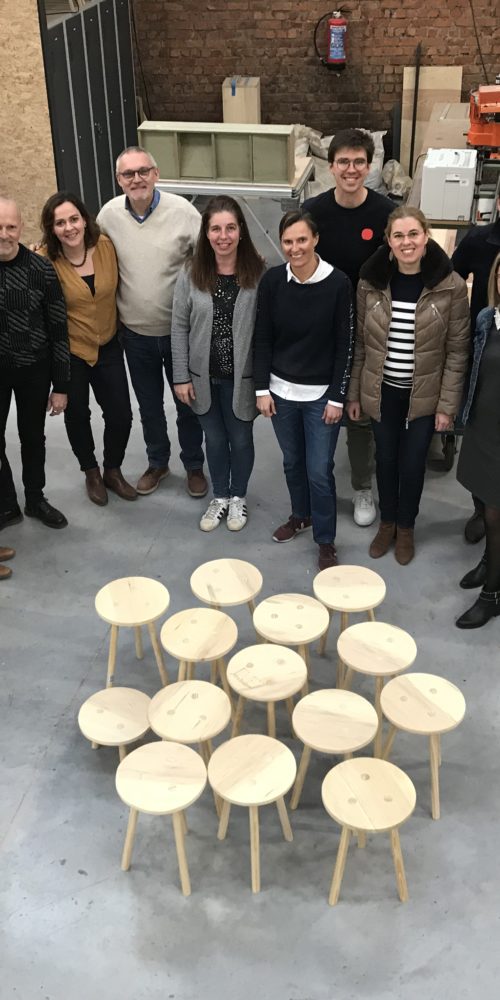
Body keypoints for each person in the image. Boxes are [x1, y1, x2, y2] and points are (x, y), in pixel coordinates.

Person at [346, 206, 470, 565]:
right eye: (398, 235)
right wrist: (354, 393)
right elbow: (360, 345)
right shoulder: (370, 283)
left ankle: (406, 527)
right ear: (388, 241)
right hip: (382, 391)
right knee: (385, 460)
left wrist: (446, 406)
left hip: (425, 395)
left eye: (413, 234)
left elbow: (457, 351)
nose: (406, 242)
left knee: (413, 464)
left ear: (426, 236)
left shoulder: (450, 286)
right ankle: (387, 523)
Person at [97, 146, 207, 498]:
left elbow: (207, 260)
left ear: (156, 174)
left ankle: (194, 465)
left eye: (143, 171)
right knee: (149, 407)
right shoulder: (108, 216)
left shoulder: (183, 212)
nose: (137, 179)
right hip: (135, 334)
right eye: (128, 174)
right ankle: (158, 462)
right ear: (119, 180)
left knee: (187, 404)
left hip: (179, 334)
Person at [303, 128, 394, 528]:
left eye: (359, 162)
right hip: (323, 325)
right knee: (321, 404)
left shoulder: (385, 212)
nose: (351, 169)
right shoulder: (314, 211)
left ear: (369, 166)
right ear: (331, 166)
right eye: (344, 162)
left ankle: (361, 486)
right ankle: (315, 482)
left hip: (370, 327)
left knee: (358, 408)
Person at [254, 210, 353, 570]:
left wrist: (337, 397)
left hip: (321, 397)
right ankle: (301, 515)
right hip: (280, 393)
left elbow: (346, 344)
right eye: (288, 241)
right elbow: (262, 337)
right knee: (292, 462)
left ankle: (325, 539)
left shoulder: (338, 283)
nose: (295, 248)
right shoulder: (272, 282)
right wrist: (261, 389)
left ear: (315, 240)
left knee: (319, 471)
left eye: (301, 240)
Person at [172, 196, 265, 532]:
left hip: (243, 379)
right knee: (213, 439)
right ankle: (220, 496)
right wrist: (181, 376)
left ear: (241, 231)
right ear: (206, 233)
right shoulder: (191, 272)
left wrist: (265, 385)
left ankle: (238, 496)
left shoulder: (259, 273)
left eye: (230, 228)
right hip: (203, 378)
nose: (223, 236)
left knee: (240, 439)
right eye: (215, 229)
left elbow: (267, 333)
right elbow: (178, 326)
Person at [39, 192, 135, 506]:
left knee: (121, 414)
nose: (69, 228)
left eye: (74, 219)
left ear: (84, 219)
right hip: (71, 352)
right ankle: (91, 472)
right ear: (52, 229)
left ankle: (112, 470)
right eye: (60, 223)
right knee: (78, 414)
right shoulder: (45, 260)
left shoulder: (106, 247)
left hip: (108, 345)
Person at [0, 197, 70, 531]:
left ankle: (35, 498)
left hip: (34, 369)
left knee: (32, 437)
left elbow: (58, 329)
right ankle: (6, 504)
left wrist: (62, 385)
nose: (4, 234)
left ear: (21, 227)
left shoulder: (41, 270)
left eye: (10, 227)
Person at [452, 194, 500, 544]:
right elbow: (450, 277)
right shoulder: (479, 240)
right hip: (485, 351)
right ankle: (481, 509)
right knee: (480, 435)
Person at [456, 253, 500, 628]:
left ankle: (493, 595)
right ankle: (489, 562)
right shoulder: (488, 318)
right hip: (482, 425)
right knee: (483, 500)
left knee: (496, 512)